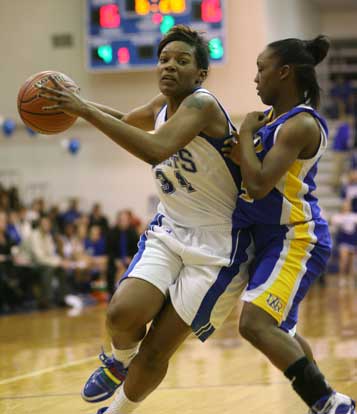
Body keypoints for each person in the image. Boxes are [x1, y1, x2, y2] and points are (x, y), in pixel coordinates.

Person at [38, 25, 253, 414]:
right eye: (164, 59)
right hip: (170, 229)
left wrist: (85, 110)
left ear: (200, 73)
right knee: (122, 312)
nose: (169, 66)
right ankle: (119, 362)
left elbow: (155, 149)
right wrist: (78, 107)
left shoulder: (202, 105)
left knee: (155, 351)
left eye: (182, 61)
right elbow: (127, 119)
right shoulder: (163, 104)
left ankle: (116, 411)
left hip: (218, 245)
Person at [227, 35, 355, 413]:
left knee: (253, 324)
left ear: (284, 73)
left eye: (261, 69)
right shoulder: (274, 121)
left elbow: (259, 182)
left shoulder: (300, 124)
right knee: (280, 332)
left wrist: (246, 136)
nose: (255, 79)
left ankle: (330, 403)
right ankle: (330, 404)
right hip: (271, 239)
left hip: (296, 237)